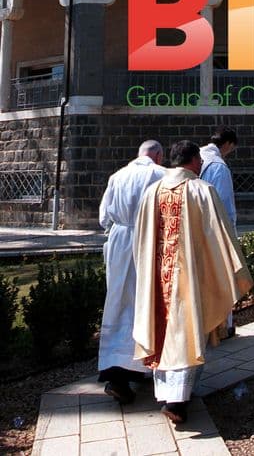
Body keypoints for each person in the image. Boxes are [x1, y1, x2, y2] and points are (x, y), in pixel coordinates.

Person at [132, 140, 253, 424]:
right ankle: (178, 400)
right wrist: (231, 273)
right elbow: (220, 236)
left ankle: (168, 394)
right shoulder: (202, 190)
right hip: (190, 278)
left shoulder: (152, 192)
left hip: (158, 278)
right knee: (185, 332)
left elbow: (141, 240)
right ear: (194, 161)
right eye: (199, 160)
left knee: (164, 330)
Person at [98, 139, 166, 404]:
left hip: (119, 243)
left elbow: (104, 217)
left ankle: (118, 374)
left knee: (118, 304)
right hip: (147, 243)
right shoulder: (161, 174)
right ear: (158, 156)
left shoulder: (118, 176)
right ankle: (144, 365)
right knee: (145, 304)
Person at [200, 126, 238, 336]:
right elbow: (223, 203)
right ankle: (223, 325)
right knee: (221, 278)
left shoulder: (196, 158)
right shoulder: (219, 167)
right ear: (228, 144)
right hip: (215, 229)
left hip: (196, 227)